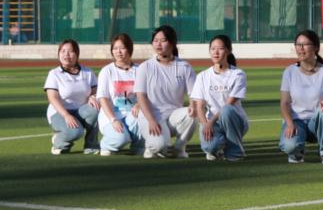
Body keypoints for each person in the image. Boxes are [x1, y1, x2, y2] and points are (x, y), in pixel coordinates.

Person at [133, 24, 198, 159]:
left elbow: (195, 94)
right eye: (155, 40)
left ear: (172, 43)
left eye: (163, 40)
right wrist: (151, 120)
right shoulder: (145, 67)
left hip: (173, 116)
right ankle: (152, 147)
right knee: (159, 147)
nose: (158, 44)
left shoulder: (185, 67)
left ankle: (179, 148)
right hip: (151, 115)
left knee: (192, 113)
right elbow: (141, 96)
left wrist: (192, 105)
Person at [279, 29, 323, 165]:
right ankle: (297, 152)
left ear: (316, 47)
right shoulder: (289, 72)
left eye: (305, 44)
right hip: (296, 122)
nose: (300, 48)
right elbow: (284, 103)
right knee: (289, 146)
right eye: (298, 44)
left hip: (316, 123)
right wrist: (290, 123)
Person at [191, 34, 250, 162]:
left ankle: (235, 151)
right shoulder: (202, 76)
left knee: (226, 110)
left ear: (228, 50)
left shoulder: (238, 74)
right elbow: (199, 106)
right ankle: (218, 148)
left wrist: (210, 122)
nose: (216, 52)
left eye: (220, 48)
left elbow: (229, 104)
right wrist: (205, 125)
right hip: (212, 123)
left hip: (234, 120)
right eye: (213, 49)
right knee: (209, 147)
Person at [43, 39, 97, 155]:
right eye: (63, 51)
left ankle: (91, 145)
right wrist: (66, 115)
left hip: (81, 111)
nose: (66, 55)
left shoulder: (88, 72)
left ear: (77, 54)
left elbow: (95, 92)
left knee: (96, 107)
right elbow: (52, 98)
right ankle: (59, 141)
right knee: (75, 132)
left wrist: (93, 96)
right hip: (59, 112)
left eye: (71, 51)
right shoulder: (54, 74)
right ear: (58, 54)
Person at [94, 34, 143, 156]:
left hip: (132, 114)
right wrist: (113, 119)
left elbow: (147, 94)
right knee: (121, 139)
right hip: (112, 116)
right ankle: (105, 145)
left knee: (144, 114)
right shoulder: (107, 71)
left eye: (122, 48)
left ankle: (138, 146)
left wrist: (139, 104)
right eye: (115, 48)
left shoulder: (140, 70)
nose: (118, 52)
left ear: (129, 49)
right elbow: (103, 98)